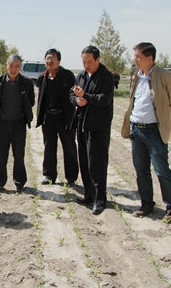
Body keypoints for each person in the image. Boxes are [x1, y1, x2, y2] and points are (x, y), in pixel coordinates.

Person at [121, 42, 171, 222]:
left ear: (150, 58)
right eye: (135, 56)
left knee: (162, 170)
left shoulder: (165, 76)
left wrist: (163, 124)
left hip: (154, 131)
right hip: (136, 130)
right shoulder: (137, 76)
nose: (135, 60)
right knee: (141, 170)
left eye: (138, 56)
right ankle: (147, 204)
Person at [70, 46, 114, 215]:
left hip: (98, 126)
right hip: (82, 123)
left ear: (98, 59)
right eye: (83, 61)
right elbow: (72, 93)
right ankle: (88, 195)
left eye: (89, 61)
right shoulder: (81, 75)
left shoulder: (106, 76)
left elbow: (104, 99)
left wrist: (86, 96)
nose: (86, 64)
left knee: (97, 163)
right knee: (85, 161)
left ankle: (100, 200)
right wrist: (76, 100)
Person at [0, 54, 35, 192]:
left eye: (17, 66)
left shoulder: (27, 83)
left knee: (19, 153)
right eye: (11, 65)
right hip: (2, 123)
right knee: (0, 153)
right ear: (6, 65)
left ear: (20, 67)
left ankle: (20, 181)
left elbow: (31, 101)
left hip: (19, 123)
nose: (13, 69)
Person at [36, 49, 78, 186]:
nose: (50, 61)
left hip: (65, 117)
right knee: (49, 147)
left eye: (53, 58)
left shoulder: (67, 76)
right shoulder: (42, 77)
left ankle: (71, 177)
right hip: (48, 118)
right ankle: (49, 175)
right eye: (47, 58)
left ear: (59, 61)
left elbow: (73, 96)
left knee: (69, 147)